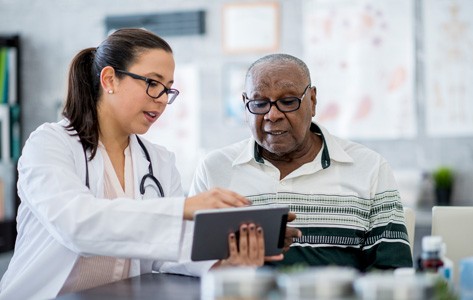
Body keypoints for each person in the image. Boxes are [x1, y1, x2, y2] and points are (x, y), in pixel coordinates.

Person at [0, 28, 276, 300]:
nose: (163, 100)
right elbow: (77, 225)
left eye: (168, 89)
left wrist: (224, 261)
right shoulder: (50, 144)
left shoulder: (158, 160)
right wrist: (182, 208)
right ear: (110, 80)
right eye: (152, 83)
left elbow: (167, 252)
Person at [189, 53, 413, 272]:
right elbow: (187, 264)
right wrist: (228, 265)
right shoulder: (214, 169)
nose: (272, 115)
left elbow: (392, 271)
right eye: (259, 103)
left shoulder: (369, 168)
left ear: (313, 100)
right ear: (245, 104)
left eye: (288, 102)